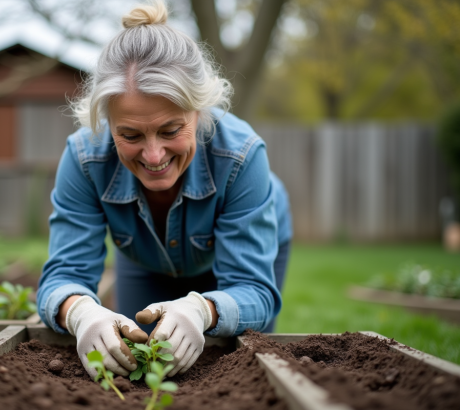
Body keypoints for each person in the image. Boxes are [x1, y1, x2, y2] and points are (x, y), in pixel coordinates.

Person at [37, 0, 293, 379]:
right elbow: (63, 275)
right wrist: (80, 312)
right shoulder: (84, 159)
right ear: (107, 124)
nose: (154, 155)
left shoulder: (241, 155)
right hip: (147, 260)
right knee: (141, 358)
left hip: (249, 250)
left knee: (240, 367)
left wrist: (202, 310)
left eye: (171, 131)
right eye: (130, 134)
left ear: (200, 111)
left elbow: (253, 291)